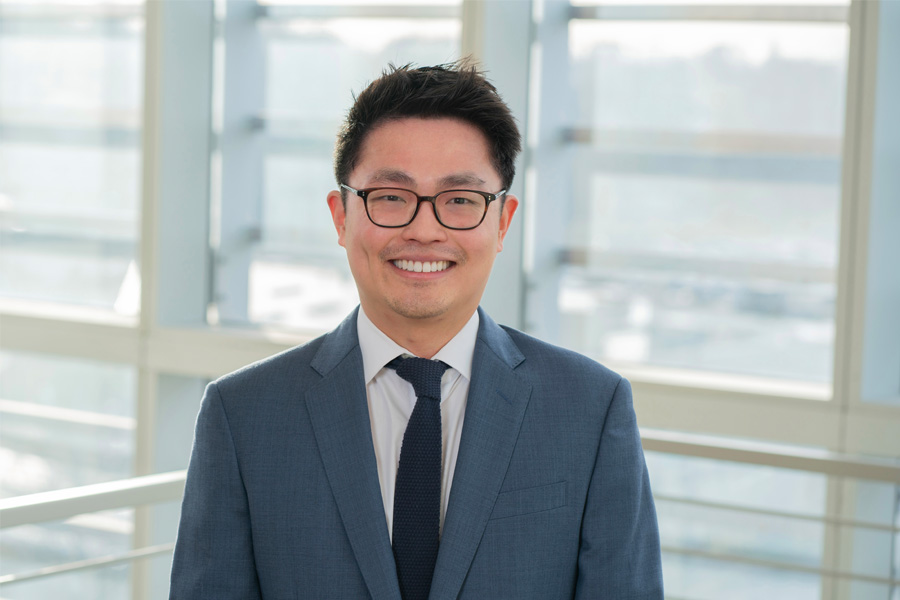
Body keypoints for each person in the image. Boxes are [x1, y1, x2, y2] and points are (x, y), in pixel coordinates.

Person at [170, 61, 663, 600]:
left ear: (502, 222)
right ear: (340, 217)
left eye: (459, 200)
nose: (424, 229)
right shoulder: (243, 415)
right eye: (390, 197)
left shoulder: (591, 408)